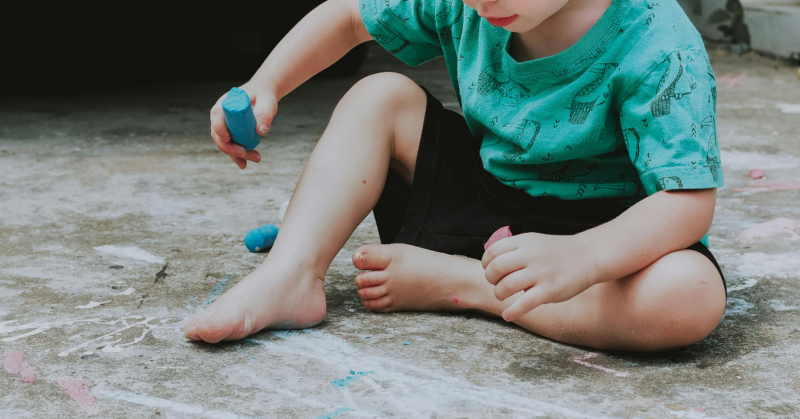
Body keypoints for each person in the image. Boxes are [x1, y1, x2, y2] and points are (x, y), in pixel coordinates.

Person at [184, 0, 727, 351]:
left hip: (605, 242)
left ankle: (463, 285)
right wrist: (266, 84)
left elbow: (688, 202)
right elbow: (350, 16)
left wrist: (585, 255)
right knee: (381, 96)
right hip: (482, 204)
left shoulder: (658, 43)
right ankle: (292, 274)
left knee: (689, 296)